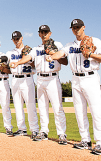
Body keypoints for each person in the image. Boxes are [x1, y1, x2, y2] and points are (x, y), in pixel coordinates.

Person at [48, 19, 101, 154]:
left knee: (96, 111)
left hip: (90, 77)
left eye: (78, 27)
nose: (76, 29)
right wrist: (52, 56)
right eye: (73, 27)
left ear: (84, 27)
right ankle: (85, 140)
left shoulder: (95, 41)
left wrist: (90, 54)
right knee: (79, 111)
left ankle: (100, 142)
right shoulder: (69, 45)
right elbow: (61, 53)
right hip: (75, 78)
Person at [10, 25, 68, 144]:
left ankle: (61, 133)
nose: (44, 34)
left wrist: (54, 54)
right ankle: (44, 131)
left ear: (50, 33)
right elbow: (29, 57)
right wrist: (17, 63)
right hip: (40, 79)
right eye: (41, 32)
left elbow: (65, 61)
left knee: (57, 107)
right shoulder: (37, 49)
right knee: (42, 107)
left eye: (45, 32)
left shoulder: (57, 44)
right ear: (39, 34)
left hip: (52, 78)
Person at [6, 31, 40, 138]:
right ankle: (21, 129)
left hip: (27, 79)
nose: (16, 41)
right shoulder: (9, 53)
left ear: (22, 38)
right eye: (14, 39)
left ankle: (34, 129)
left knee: (30, 106)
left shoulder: (30, 51)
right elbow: (6, 66)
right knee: (17, 105)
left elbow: (36, 64)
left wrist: (29, 60)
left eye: (18, 38)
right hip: (15, 79)